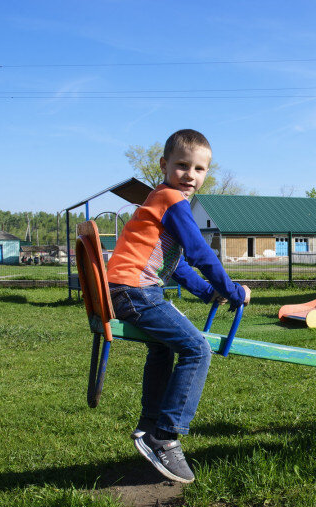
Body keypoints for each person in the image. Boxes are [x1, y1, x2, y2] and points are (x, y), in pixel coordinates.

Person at [107, 129, 251, 483]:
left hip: (125, 289)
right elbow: (201, 252)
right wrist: (232, 291)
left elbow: (179, 263)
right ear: (164, 165)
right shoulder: (171, 199)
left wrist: (207, 293)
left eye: (199, 169)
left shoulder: (161, 200)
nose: (191, 175)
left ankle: (149, 424)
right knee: (197, 349)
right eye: (182, 165)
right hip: (135, 290)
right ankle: (165, 437)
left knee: (163, 348)